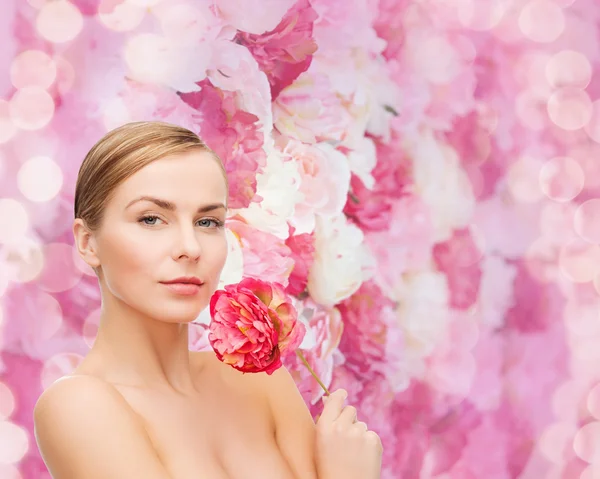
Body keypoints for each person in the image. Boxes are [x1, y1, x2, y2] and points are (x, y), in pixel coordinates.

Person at [33, 121, 383, 479]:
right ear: (88, 242)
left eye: (208, 222)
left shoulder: (258, 381)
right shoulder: (78, 406)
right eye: (151, 219)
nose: (189, 247)